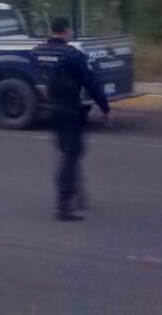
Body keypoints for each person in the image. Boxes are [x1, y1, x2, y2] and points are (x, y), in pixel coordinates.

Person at [31, 16, 110, 222]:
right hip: (70, 110)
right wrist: (104, 107)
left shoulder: (37, 52)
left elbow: (40, 75)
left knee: (69, 152)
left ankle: (79, 194)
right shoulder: (74, 55)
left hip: (51, 110)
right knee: (70, 156)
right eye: (70, 30)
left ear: (51, 30)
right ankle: (63, 206)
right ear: (66, 31)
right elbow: (91, 82)